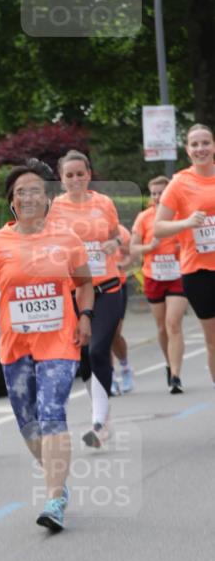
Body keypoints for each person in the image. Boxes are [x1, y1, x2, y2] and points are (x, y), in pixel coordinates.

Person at [0, 160, 94, 532]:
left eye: (36, 190)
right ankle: (56, 479)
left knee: (51, 410)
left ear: (48, 197)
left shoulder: (67, 240)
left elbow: (84, 282)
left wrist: (86, 314)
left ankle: (54, 497)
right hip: (15, 345)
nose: (28, 197)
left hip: (59, 340)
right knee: (28, 422)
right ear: (12, 200)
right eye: (20, 191)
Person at [50, 151, 123, 448]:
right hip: (74, 290)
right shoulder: (54, 208)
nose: (76, 179)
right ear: (61, 179)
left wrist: (112, 243)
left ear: (89, 174)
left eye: (80, 173)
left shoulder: (104, 203)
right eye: (69, 175)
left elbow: (118, 235)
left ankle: (98, 420)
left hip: (106, 286)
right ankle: (103, 418)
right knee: (83, 355)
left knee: (97, 350)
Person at [154, 123, 215, 387]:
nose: (201, 148)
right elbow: (159, 226)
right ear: (188, 151)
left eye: (205, 143)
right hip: (199, 272)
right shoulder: (180, 183)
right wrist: (186, 223)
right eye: (195, 144)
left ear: (214, 146)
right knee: (213, 340)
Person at [131, 176, 187, 393]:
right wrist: (150, 247)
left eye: (161, 192)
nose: (157, 197)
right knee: (162, 327)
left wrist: (181, 247)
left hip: (178, 275)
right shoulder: (144, 218)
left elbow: (192, 241)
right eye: (153, 193)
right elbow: (134, 249)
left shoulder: (180, 215)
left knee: (173, 323)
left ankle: (176, 375)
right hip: (153, 277)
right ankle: (168, 363)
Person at [110, 224, 135, 395]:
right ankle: (109, 377)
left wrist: (120, 266)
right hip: (94, 287)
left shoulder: (121, 231)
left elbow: (130, 255)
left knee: (114, 333)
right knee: (100, 335)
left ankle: (125, 366)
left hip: (117, 285)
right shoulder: (81, 228)